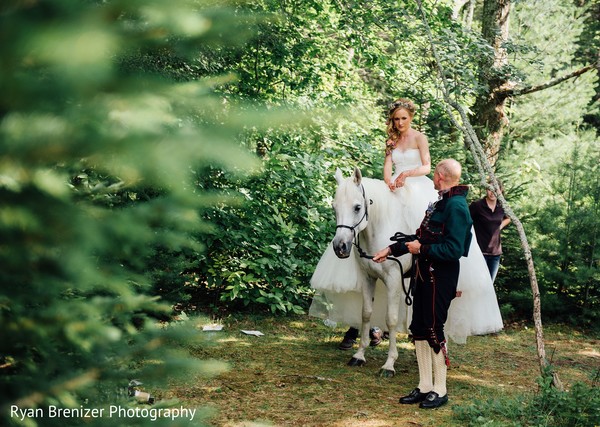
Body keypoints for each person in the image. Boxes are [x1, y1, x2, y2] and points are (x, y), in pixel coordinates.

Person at [373, 159, 471, 409]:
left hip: (441, 277)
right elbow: (420, 237)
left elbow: (455, 249)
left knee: (434, 330)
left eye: (435, 174)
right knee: (418, 327)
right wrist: (392, 249)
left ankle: (441, 389)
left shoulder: (457, 206)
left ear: (439, 175)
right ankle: (425, 385)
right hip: (424, 275)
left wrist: (423, 248)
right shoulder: (442, 201)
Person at [469, 183, 511, 283]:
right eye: (490, 189)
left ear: (500, 191)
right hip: (479, 252)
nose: (492, 193)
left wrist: (500, 226)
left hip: (495, 254)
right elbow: (466, 221)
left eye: (495, 190)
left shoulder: (502, 206)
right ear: (486, 190)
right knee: (478, 284)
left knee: (489, 286)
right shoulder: (477, 205)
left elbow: (509, 218)